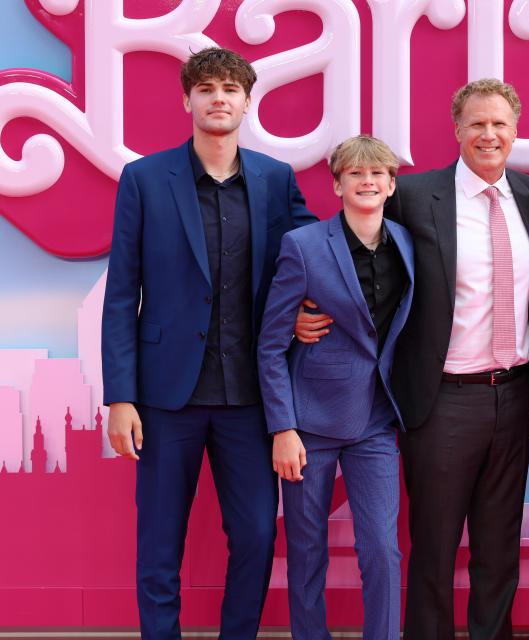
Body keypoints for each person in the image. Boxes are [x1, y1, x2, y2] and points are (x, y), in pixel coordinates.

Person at [296, 78, 529, 639]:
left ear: (515, 130)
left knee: (498, 548)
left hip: (512, 395)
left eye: (499, 124)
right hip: (440, 400)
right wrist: (295, 307)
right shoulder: (412, 195)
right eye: (477, 123)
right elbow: (344, 249)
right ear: (457, 129)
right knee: (434, 551)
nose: (489, 134)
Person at [101, 47, 316, 639]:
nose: (218, 97)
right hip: (166, 399)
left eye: (230, 88)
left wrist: (303, 311)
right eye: (207, 89)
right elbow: (122, 293)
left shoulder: (276, 180)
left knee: (254, 536)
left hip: (250, 397)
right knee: (160, 541)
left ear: (247, 102)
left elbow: (310, 260)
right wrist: (120, 397)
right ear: (188, 100)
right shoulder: (144, 179)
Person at [257, 135, 414, 640]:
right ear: (337, 184)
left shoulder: (408, 244)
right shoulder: (303, 247)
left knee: (382, 549)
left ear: (391, 185)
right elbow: (271, 346)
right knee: (307, 550)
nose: (366, 181)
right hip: (310, 425)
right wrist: (283, 427)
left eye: (376, 174)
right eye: (355, 174)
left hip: (376, 422)